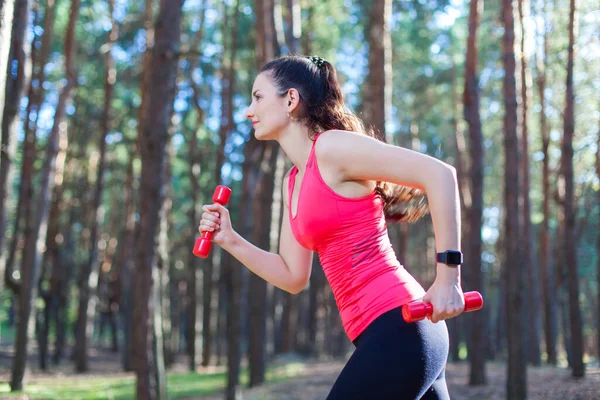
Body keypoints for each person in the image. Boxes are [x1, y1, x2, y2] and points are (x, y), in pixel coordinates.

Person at [198, 55, 465, 399]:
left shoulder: (332, 147)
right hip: (383, 334)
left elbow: (440, 175)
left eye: (258, 97)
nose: (249, 111)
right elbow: (293, 276)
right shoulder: (292, 181)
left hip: (401, 323)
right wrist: (230, 239)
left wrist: (448, 278)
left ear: (290, 100)